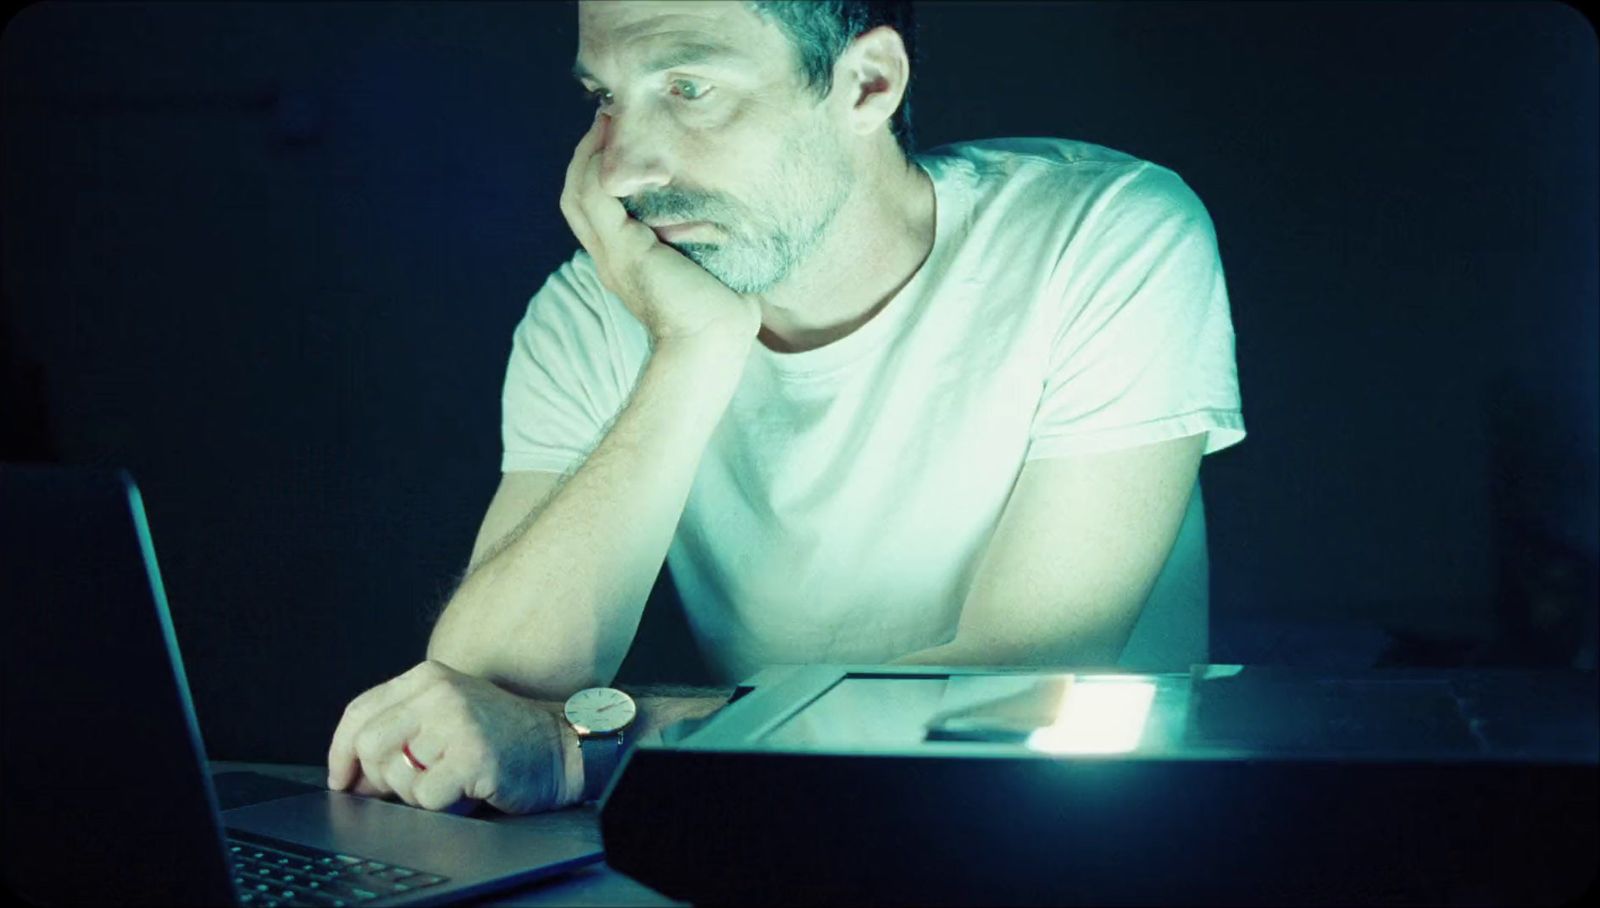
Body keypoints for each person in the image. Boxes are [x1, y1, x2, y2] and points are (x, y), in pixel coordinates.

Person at [327, 0, 1245, 816]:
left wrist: (588, 743)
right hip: (785, 829)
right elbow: (481, 697)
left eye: (688, 87)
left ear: (866, 84)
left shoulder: (1106, 233)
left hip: (1076, 843)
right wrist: (693, 351)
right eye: (604, 98)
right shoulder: (599, 310)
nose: (622, 170)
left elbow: (1012, 699)